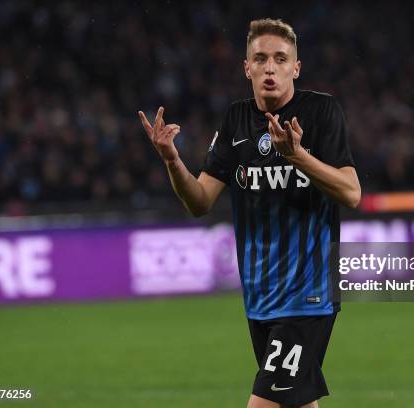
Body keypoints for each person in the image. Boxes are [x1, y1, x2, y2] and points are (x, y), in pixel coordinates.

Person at [138, 18, 360, 408]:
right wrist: (173, 161)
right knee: (296, 403)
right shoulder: (236, 120)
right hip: (260, 299)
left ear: (296, 67)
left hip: (309, 296)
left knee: (263, 404)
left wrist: (297, 156)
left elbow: (351, 192)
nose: (270, 67)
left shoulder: (322, 112)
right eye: (260, 58)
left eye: (280, 58)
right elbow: (200, 201)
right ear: (247, 67)